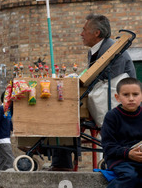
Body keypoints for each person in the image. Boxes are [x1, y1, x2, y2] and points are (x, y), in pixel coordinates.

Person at [52, 14, 137, 170]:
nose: (81, 34)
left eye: (84, 30)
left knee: (64, 107)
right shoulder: (97, 50)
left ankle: (62, 161)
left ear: (96, 33)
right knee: (63, 106)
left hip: (113, 98)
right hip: (103, 94)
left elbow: (108, 79)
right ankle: (61, 160)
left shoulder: (112, 49)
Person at [87, 77, 142, 188]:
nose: (131, 98)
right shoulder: (112, 117)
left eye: (135, 94)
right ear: (117, 97)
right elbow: (108, 146)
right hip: (120, 159)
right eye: (126, 95)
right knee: (130, 176)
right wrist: (128, 153)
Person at [0, 91, 15, 172]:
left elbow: (8, 122)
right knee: (10, 160)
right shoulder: (0, 110)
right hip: (2, 139)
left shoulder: (7, 111)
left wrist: (12, 130)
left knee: (2, 161)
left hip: (6, 138)